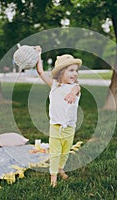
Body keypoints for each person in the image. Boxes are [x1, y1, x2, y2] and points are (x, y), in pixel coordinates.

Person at [35, 46, 82, 187]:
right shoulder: (55, 85)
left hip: (69, 127)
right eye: (71, 70)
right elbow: (40, 71)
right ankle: (53, 176)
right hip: (55, 126)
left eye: (76, 70)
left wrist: (73, 93)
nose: (75, 74)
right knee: (55, 152)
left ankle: (60, 168)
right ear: (61, 73)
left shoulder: (76, 87)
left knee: (65, 151)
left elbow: (77, 88)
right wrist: (38, 55)